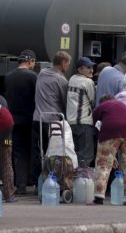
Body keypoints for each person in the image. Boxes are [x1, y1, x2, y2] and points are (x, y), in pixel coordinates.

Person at [91, 95, 126, 205]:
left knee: (103, 164)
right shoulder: (123, 106)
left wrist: (105, 149)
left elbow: (95, 127)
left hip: (110, 130)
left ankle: (98, 198)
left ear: (102, 102)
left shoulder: (101, 107)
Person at [32, 51, 72, 180]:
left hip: (37, 118)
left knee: (40, 151)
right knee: (53, 152)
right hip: (52, 121)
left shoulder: (42, 74)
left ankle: (39, 179)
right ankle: (52, 178)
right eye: (68, 64)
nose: (68, 67)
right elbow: (65, 101)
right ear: (63, 63)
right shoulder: (61, 80)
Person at [3, 49, 38, 194]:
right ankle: (34, 182)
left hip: (13, 120)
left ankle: (21, 184)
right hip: (30, 119)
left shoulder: (8, 77)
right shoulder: (33, 76)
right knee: (33, 150)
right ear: (30, 61)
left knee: (17, 152)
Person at [66, 57, 97, 166]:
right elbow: (93, 102)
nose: (92, 70)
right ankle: (81, 180)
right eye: (88, 68)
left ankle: (72, 180)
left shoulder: (72, 79)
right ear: (80, 69)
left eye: (92, 67)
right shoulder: (88, 82)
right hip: (84, 123)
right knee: (85, 156)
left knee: (73, 155)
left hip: (70, 123)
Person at [0, 95, 17, 202]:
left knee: (6, 163)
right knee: (6, 162)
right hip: (7, 132)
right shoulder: (2, 100)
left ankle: (8, 194)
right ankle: (9, 194)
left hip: (4, 129)